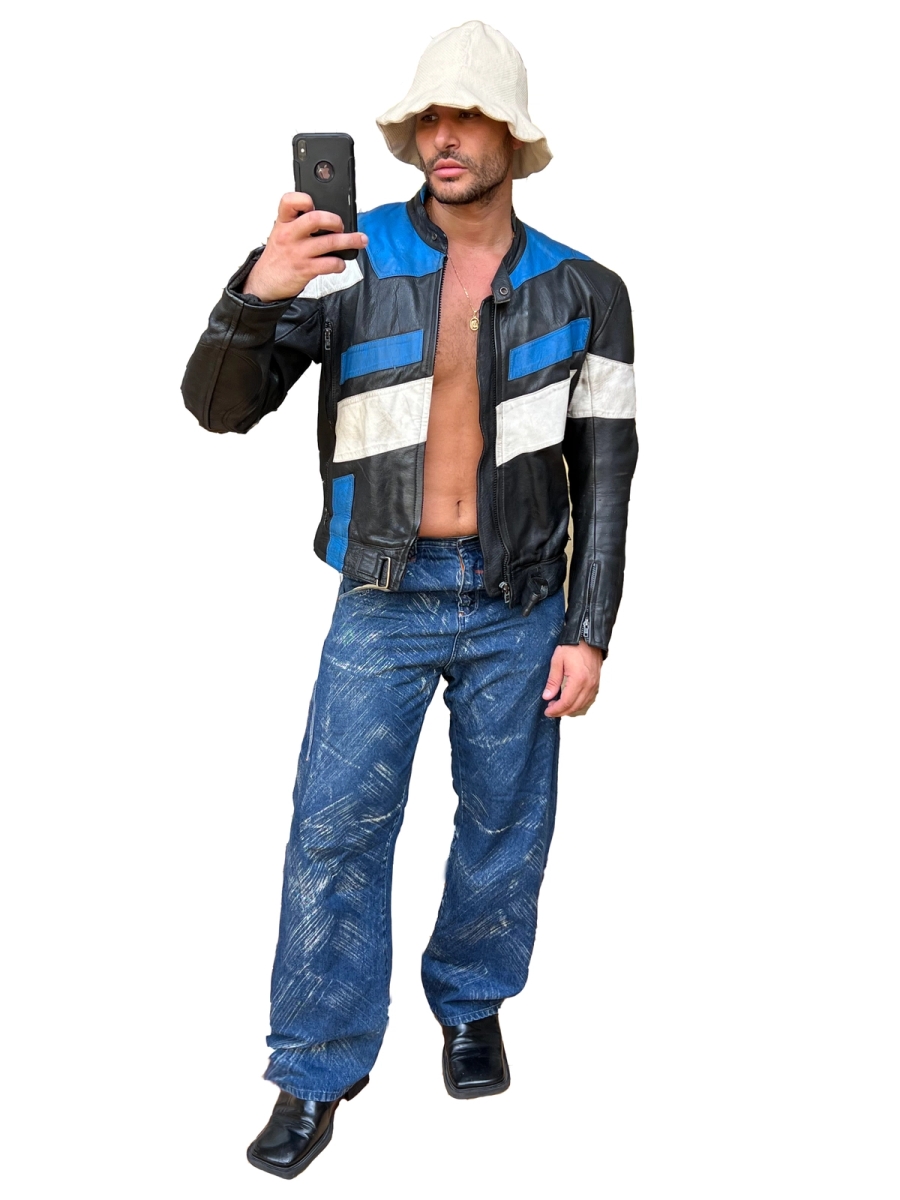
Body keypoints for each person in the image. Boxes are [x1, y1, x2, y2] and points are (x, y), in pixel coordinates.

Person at [182, 19, 638, 1180]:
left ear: (512, 136)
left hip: (522, 599)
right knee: (333, 830)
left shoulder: (587, 289)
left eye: (467, 116)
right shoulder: (352, 260)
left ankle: (472, 1003)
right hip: (383, 595)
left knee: (505, 822)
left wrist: (588, 630)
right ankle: (315, 1067)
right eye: (429, 115)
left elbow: (607, 474)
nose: (443, 135)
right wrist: (257, 292)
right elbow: (219, 408)